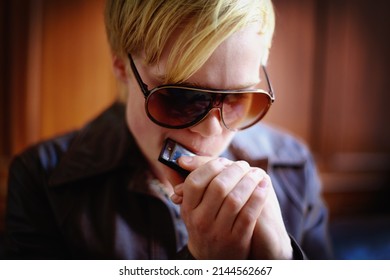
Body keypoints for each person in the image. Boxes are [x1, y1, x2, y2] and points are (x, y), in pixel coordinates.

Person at [5, 0, 333, 259]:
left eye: (237, 97)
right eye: (181, 97)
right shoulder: (42, 180)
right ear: (121, 64)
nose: (211, 130)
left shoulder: (294, 167)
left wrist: (285, 264)